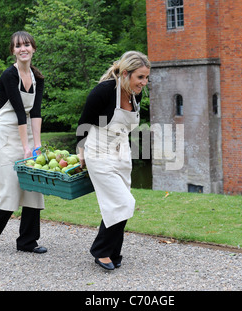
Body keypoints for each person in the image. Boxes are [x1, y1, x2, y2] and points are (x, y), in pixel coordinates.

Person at [76, 51, 151, 270]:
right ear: (126, 74)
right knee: (124, 203)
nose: (144, 83)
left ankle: (113, 251)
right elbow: (84, 123)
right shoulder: (104, 91)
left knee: (121, 205)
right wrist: (81, 152)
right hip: (98, 152)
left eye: (146, 78)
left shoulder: (135, 94)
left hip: (122, 153)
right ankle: (100, 251)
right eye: (140, 77)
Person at [0, 31, 47, 253]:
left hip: (27, 129)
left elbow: (36, 112)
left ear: (33, 49)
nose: (23, 48)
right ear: (13, 50)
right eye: (19, 45)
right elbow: (20, 112)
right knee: (10, 184)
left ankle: (27, 241)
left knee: (33, 185)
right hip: (7, 132)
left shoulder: (38, 78)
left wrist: (36, 146)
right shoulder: (8, 76)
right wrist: (25, 147)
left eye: (27, 45)